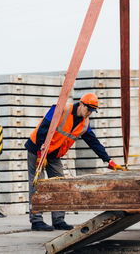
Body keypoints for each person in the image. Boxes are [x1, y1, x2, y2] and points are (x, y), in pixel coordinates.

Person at [25, 92, 124, 231]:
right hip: (37, 149)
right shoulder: (61, 110)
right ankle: (36, 221)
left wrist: (108, 160)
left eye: (92, 110)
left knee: (60, 185)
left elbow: (93, 142)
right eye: (88, 108)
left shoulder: (84, 123)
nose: (89, 112)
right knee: (38, 185)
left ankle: (58, 221)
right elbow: (43, 128)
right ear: (81, 104)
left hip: (54, 154)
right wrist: (41, 152)